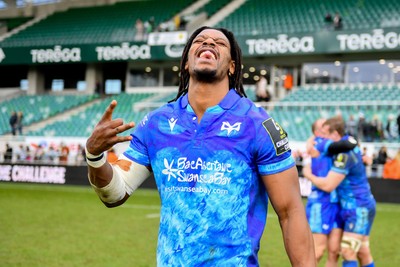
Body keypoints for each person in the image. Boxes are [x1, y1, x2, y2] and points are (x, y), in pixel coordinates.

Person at [85, 26, 316, 266]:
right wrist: (94, 155)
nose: (209, 43)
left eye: (219, 43)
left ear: (232, 66)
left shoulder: (257, 125)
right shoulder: (156, 124)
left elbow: (291, 213)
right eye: (200, 41)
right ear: (186, 62)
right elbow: (114, 194)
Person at [303, 117, 376, 267]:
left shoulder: (345, 153)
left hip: (358, 206)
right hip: (350, 206)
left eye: (325, 132)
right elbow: (315, 147)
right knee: (362, 251)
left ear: (335, 134)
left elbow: (329, 185)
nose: (322, 136)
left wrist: (308, 174)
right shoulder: (335, 146)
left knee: (348, 251)